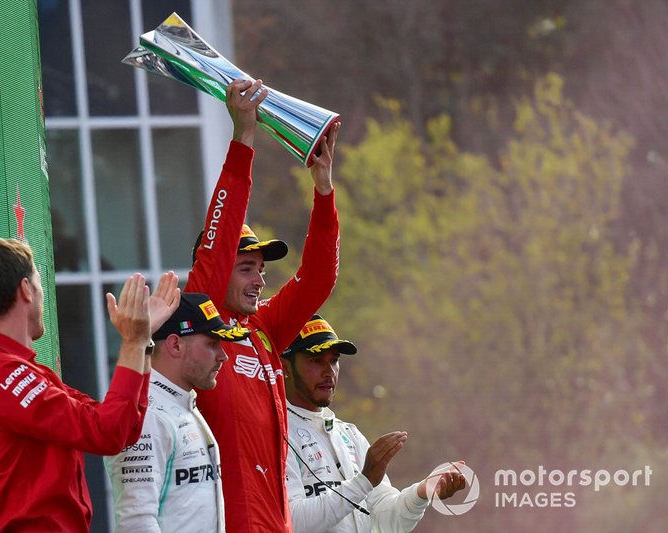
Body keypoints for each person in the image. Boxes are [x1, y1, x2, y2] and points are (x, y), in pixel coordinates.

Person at [185, 78, 341, 531]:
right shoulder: (201, 321)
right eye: (246, 268)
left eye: (262, 269)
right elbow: (218, 243)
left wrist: (324, 190)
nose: (260, 279)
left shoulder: (265, 329)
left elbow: (318, 279)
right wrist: (243, 140)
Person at [0, 238, 180, 532]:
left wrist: (142, 343)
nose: (41, 294)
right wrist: (133, 342)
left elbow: (122, 428)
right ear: (25, 289)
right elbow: (106, 432)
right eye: (38, 283)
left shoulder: (23, 371)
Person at [281, 315, 467, 533]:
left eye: (333, 360)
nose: (329, 372)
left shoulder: (348, 434)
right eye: (316, 360)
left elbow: (387, 523)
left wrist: (421, 493)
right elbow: (292, 522)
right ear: (285, 367)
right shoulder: (276, 434)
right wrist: (364, 481)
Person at [104, 292, 251, 532]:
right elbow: (136, 522)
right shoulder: (148, 414)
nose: (223, 356)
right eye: (212, 344)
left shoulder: (183, 403)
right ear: (175, 344)